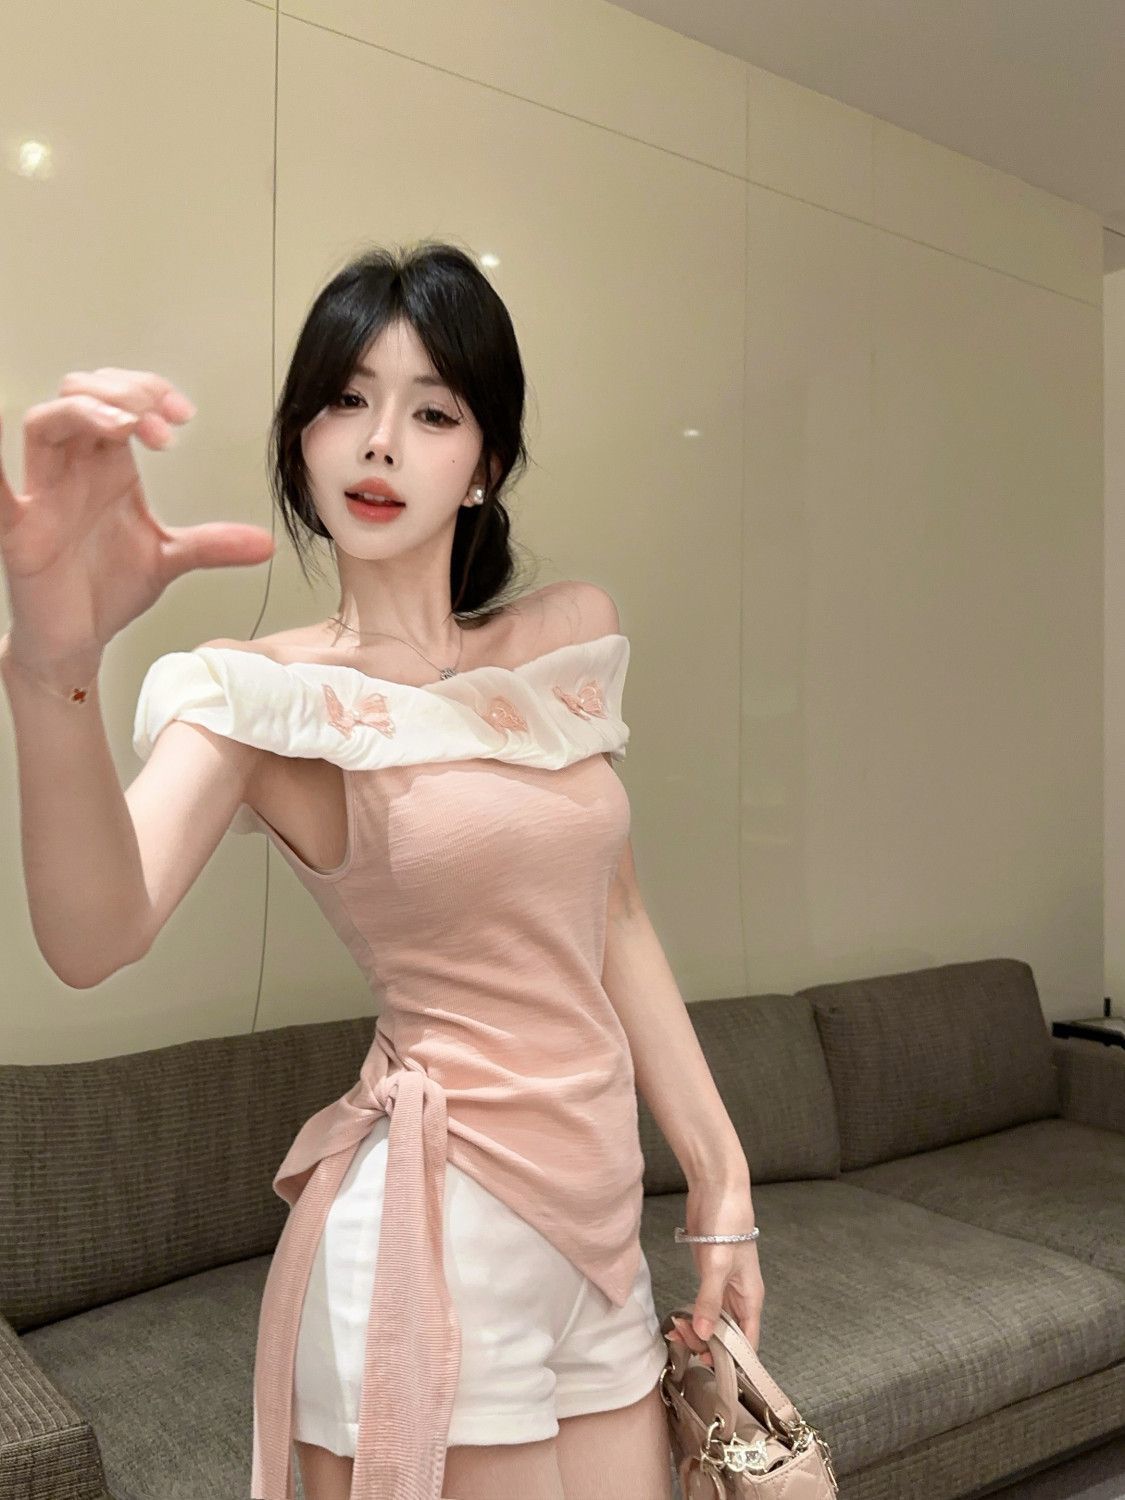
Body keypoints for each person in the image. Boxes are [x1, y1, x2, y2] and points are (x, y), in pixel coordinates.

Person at [0, 241, 762, 1500]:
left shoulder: (567, 640)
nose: (380, 442)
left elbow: (615, 911)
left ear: (487, 461)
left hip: (602, 1222)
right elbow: (94, 933)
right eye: (345, 400)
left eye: (433, 411)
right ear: (301, 440)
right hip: (435, 1231)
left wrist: (721, 1178)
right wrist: (51, 670)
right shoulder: (270, 698)